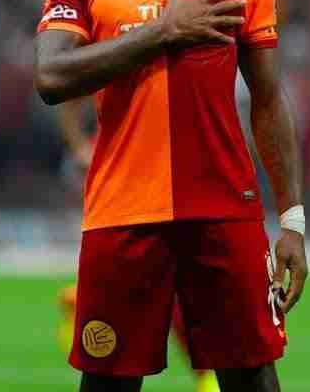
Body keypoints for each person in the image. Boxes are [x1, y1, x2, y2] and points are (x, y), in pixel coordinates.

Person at [34, 0, 308, 392]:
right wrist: (164, 31)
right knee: (108, 384)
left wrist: (292, 221)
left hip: (226, 212)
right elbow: (52, 76)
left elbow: (268, 100)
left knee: (253, 379)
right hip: (123, 214)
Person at [55, 98, 220, 392]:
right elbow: (66, 94)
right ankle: (206, 376)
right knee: (168, 280)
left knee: (163, 279)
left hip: (167, 171)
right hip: (125, 174)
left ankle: (80, 301)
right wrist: (79, 147)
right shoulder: (122, 70)